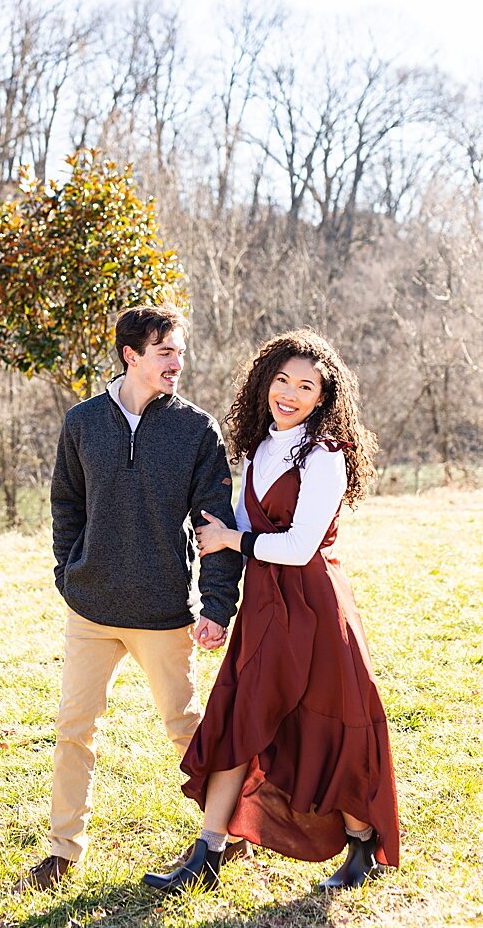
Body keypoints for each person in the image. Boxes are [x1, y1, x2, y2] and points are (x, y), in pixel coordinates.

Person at [142, 329, 399, 894]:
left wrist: (233, 541)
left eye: (306, 386)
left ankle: (361, 846)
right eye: (281, 379)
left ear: (323, 397)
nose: (289, 392)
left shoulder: (325, 455)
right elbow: (240, 526)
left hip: (312, 607)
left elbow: (298, 546)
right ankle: (208, 852)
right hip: (264, 605)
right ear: (264, 383)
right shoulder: (260, 447)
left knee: (322, 727)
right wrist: (220, 594)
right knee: (240, 716)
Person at [16, 304, 245, 892]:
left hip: (163, 609)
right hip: (90, 608)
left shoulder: (196, 429)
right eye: (166, 352)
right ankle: (64, 850)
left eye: (180, 352)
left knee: (186, 726)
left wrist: (217, 606)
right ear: (131, 355)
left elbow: (217, 523)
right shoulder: (83, 422)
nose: (178, 363)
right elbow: (65, 503)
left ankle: (229, 829)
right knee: (75, 727)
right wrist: (68, 572)